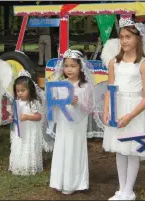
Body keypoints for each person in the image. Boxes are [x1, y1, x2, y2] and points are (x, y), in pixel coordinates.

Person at [100, 17, 145, 200]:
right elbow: (110, 88)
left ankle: (129, 190)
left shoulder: (143, 64)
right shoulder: (114, 62)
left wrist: (130, 116)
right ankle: (121, 188)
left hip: (134, 110)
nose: (124, 41)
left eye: (128, 37)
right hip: (117, 107)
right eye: (121, 37)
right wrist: (106, 110)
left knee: (132, 150)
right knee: (119, 149)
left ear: (138, 39)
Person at [48, 49, 98, 195]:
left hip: (77, 124)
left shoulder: (85, 86)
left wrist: (77, 103)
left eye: (73, 66)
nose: (69, 69)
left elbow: (88, 108)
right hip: (64, 123)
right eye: (66, 66)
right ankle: (59, 180)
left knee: (74, 150)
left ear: (80, 67)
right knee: (62, 148)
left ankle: (74, 182)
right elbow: (55, 104)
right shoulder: (60, 84)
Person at [8, 70, 46, 175]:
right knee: (20, 145)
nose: (20, 93)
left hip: (30, 130)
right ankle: (19, 164)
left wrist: (27, 116)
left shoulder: (33, 103)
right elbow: (16, 115)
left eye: (23, 90)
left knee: (28, 146)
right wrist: (12, 118)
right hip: (20, 130)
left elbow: (38, 116)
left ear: (30, 90)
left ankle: (29, 165)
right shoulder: (16, 102)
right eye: (18, 91)